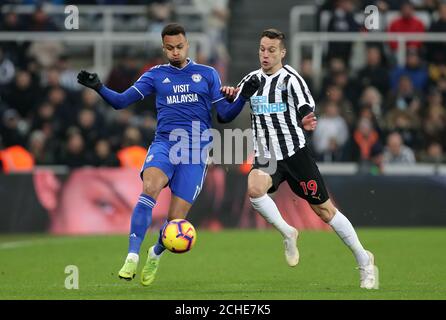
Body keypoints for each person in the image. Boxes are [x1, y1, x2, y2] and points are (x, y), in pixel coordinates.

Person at [77, 23, 256, 286]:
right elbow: (120, 102)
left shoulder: (207, 74)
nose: (175, 51)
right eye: (170, 48)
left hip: (196, 152)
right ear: (163, 48)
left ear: (187, 45)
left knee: (175, 221)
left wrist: (243, 99)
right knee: (149, 187)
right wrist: (99, 87)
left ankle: (155, 252)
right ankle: (131, 257)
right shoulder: (155, 76)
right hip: (165, 144)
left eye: (179, 46)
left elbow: (224, 115)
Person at [221, 28, 378, 289]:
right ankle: (288, 232)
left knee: (324, 211)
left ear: (282, 52)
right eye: (262, 49)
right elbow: (230, 109)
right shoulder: (251, 78)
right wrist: (234, 94)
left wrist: (306, 117)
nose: (265, 54)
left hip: (295, 156)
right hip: (267, 157)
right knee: (254, 187)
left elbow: (306, 106)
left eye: (271, 50)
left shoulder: (291, 79)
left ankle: (364, 259)